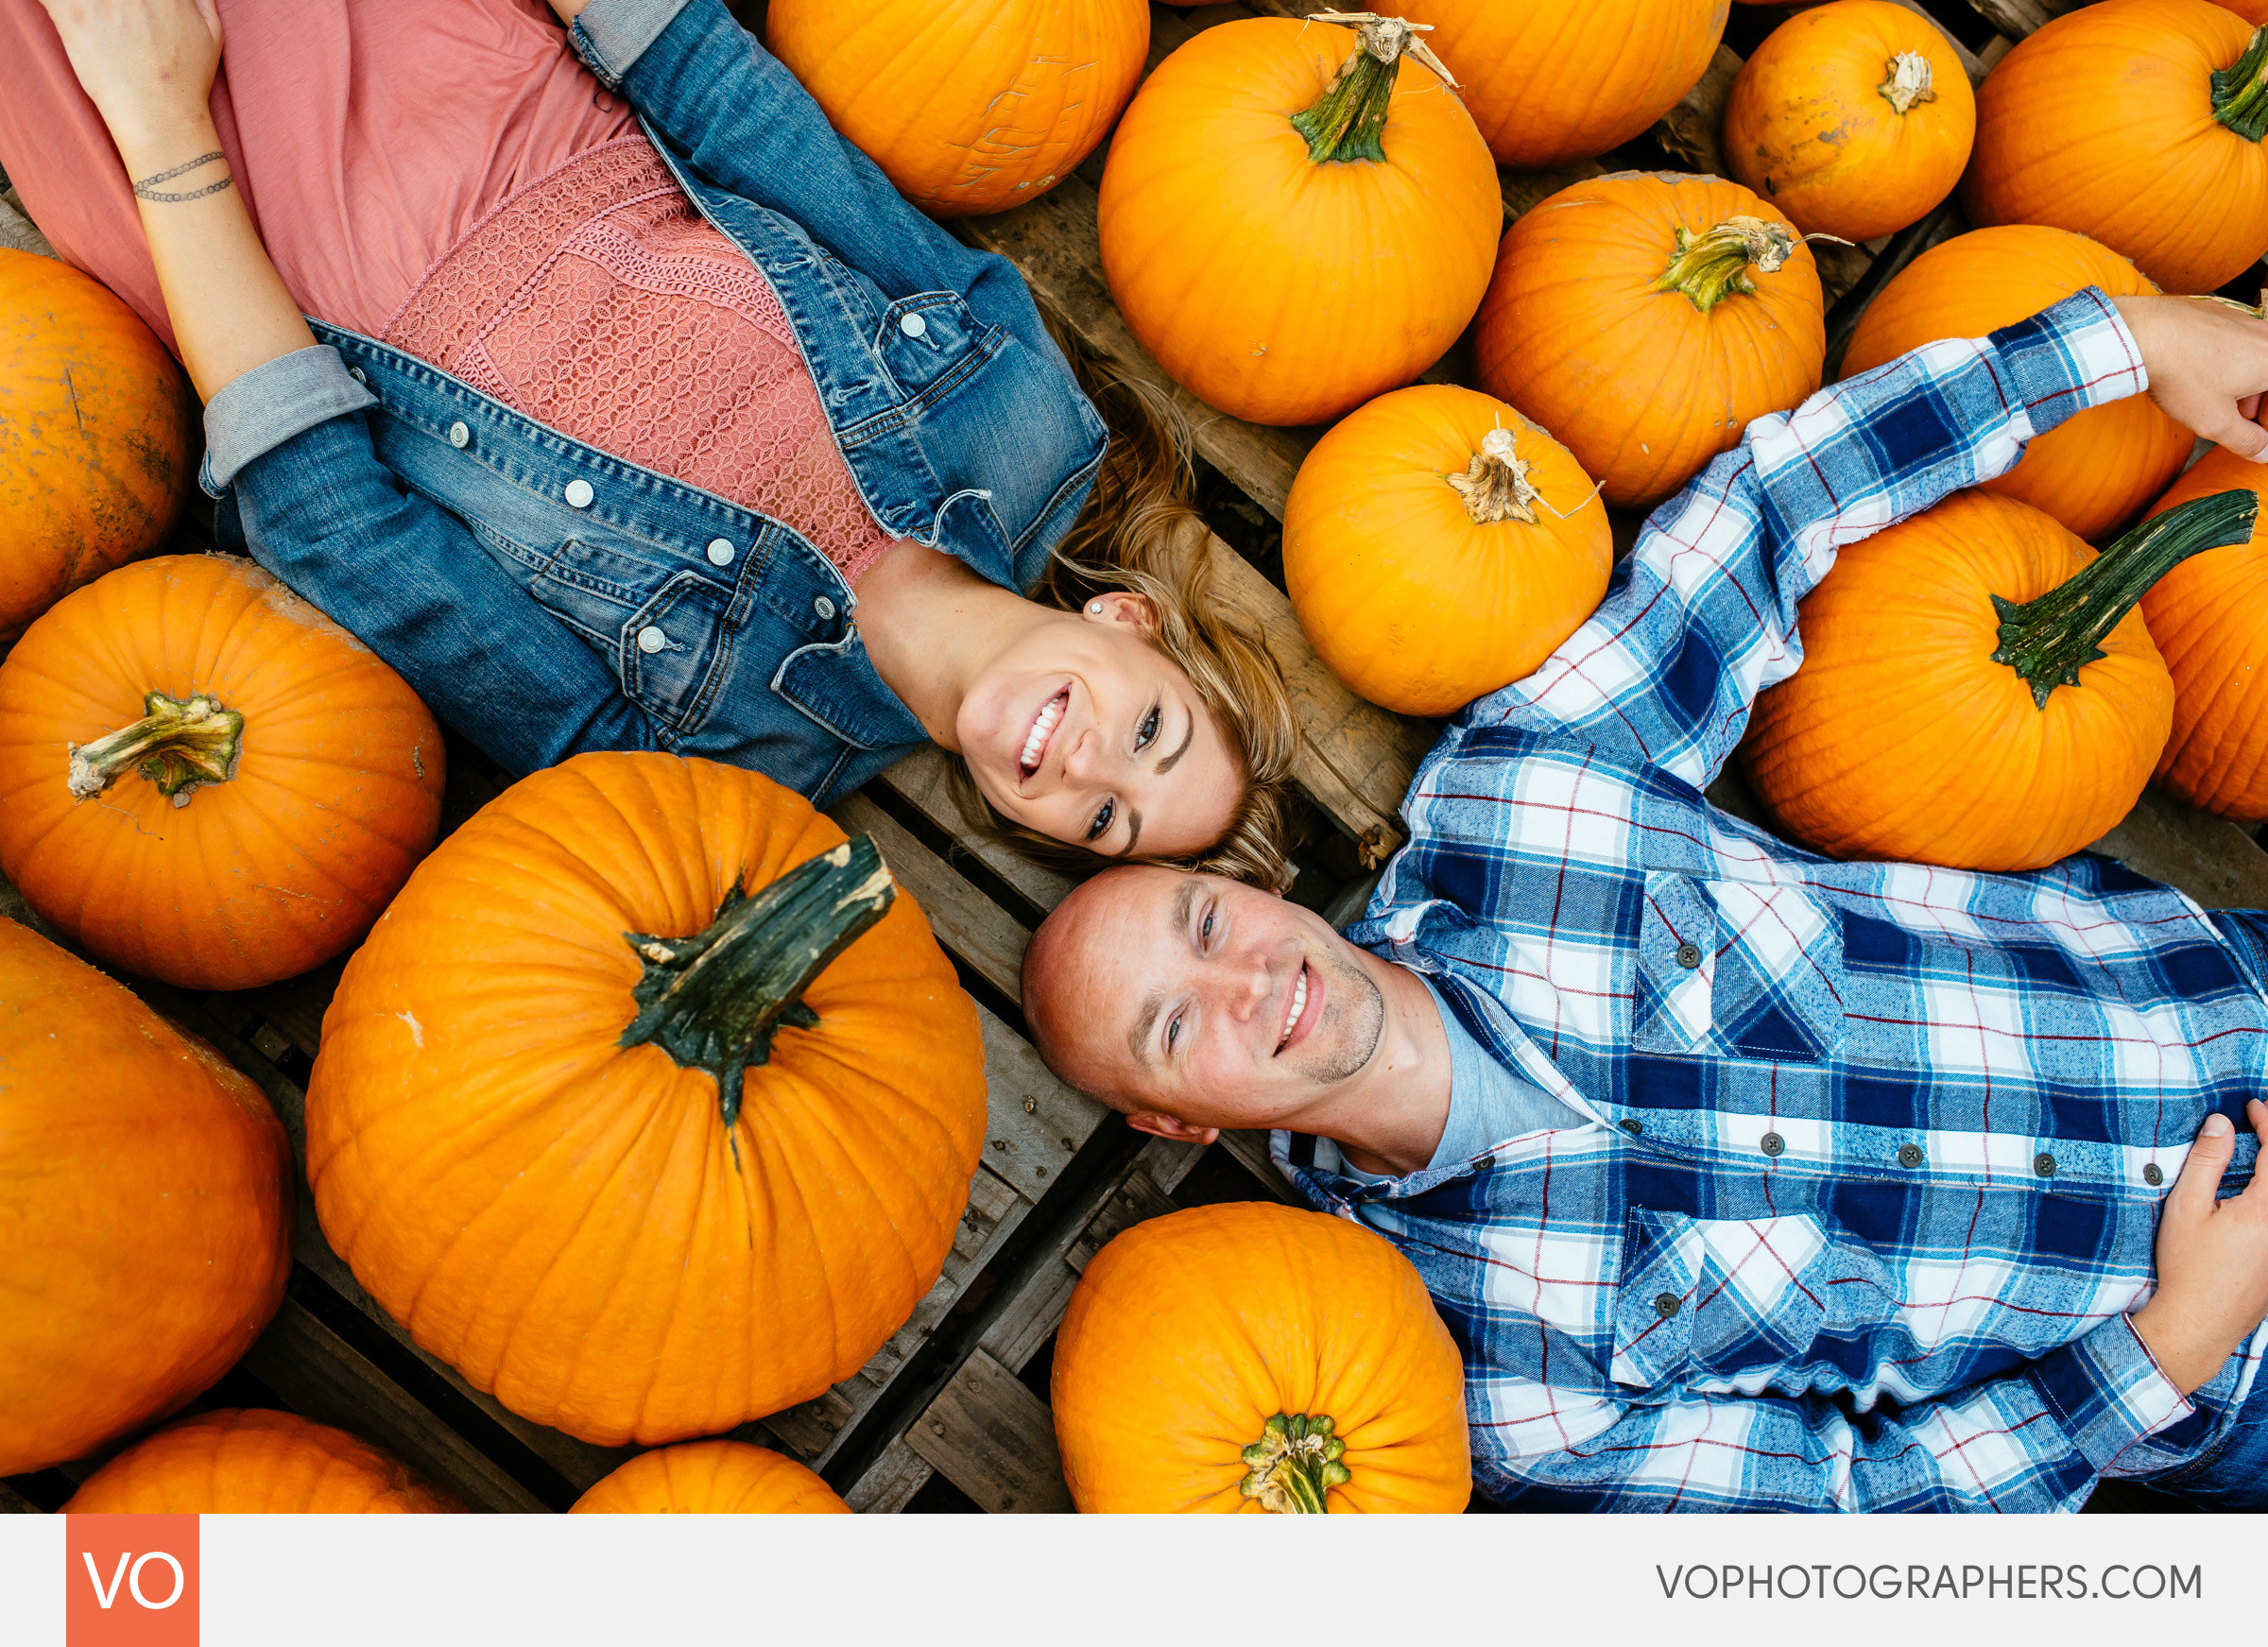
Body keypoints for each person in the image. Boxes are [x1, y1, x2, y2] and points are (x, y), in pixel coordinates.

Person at [1022, 286, 2268, 1512]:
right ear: (1179, 1124)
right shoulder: (1513, 1393)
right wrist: (2165, 1356)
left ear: (1253, 895)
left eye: (1204, 928)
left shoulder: (1524, 809)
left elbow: (1770, 513)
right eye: (1176, 1029)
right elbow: (1850, 1519)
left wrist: (2122, 342)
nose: (1245, 986)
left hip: (2224, 996)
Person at [3, 0, 1297, 881]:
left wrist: (158, 122)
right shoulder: (1021, 417)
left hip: (261, 256)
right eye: (1152, 735)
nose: (1086, 768)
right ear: (1131, 626)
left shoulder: (718, 771)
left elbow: (335, 523)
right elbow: (751, 127)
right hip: (486, 82)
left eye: (1104, 825)